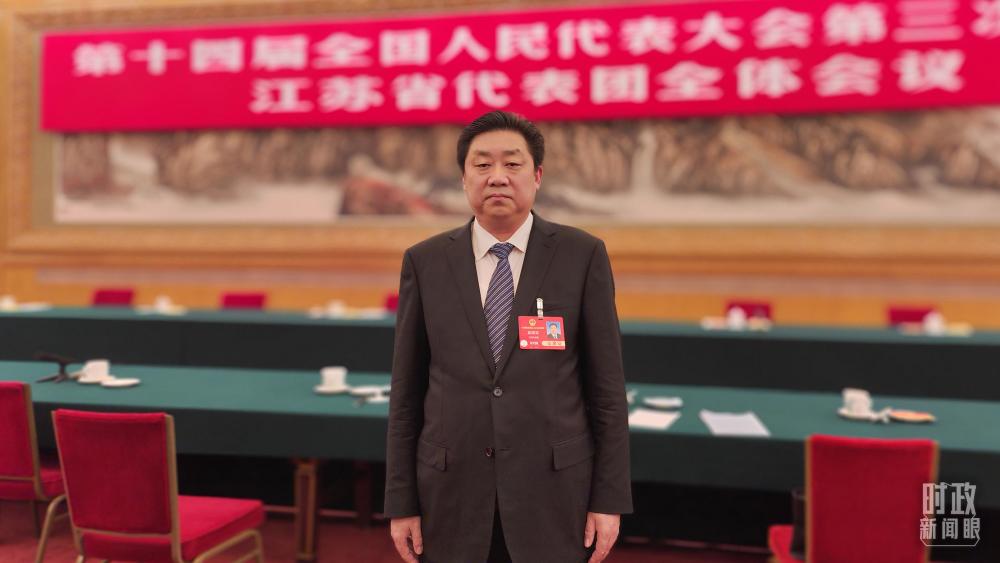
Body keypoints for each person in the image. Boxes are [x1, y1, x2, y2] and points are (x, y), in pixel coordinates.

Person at [385, 110, 632, 563]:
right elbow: (406, 393)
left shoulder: (582, 255)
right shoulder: (425, 262)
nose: (497, 176)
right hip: (452, 493)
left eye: (513, 164)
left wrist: (609, 499)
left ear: (537, 176)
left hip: (554, 492)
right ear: (464, 179)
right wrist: (401, 502)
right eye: (482, 164)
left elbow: (608, 392)